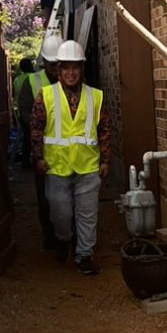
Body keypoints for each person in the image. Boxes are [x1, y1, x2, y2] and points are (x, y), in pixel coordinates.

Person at [30, 40, 111, 276]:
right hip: (57, 167)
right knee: (60, 213)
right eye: (66, 67)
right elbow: (36, 128)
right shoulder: (45, 95)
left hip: (87, 167)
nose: (71, 72)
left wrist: (105, 160)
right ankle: (64, 239)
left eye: (75, 67)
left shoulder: (95, 96)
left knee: (87, 214)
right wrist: (38, 157)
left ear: (81, 69)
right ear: (58, 70)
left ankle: (84, 255)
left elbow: (104, 129)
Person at [19, 35, 61, 248]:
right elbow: (26, 115)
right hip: (44, 150)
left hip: (71, 152)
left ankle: (71, 237)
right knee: (45, 197)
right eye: (52, 63)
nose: (56, 67)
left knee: (70, 198)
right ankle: (50, 237)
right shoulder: (32, 82)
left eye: (59, 62)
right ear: (44, 62)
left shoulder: (73, 79)